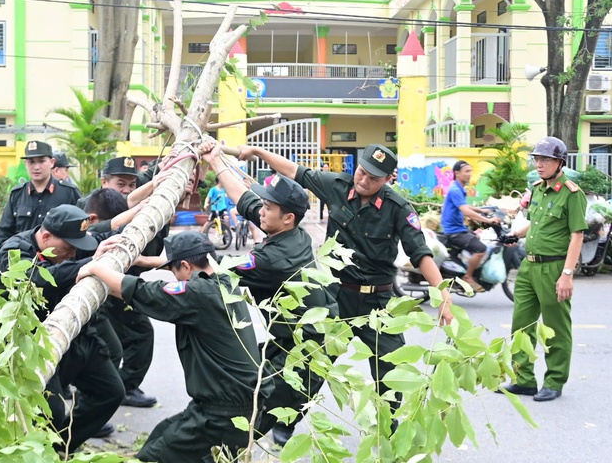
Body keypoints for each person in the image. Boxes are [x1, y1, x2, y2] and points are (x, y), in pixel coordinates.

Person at [236, 142, 453, 402]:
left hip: (378, 304)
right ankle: (283, 425)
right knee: (312, 362)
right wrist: (258, 152)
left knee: (392, 372)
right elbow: (297, 172)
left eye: (373, 178)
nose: (363, 180)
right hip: (335, 297)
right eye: (362, 172)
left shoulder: (398, 208)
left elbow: (420, 253)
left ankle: (390, 432)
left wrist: (442, 295)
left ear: (387, 179)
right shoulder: (337, 186)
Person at [0, 205, 124, 452]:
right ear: (46, 238)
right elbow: (38, 278)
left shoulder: (71, 247)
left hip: (66, 336)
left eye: (77, 249)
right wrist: (89, 264)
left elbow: (108, 230)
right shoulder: (14, 249)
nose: (73, 253)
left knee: (111, 391)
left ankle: (60, 449)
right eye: (69, 248)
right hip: (8, 341)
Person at [77, 232, 271, 462]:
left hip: (222, 413)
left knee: (153, 457)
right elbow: (182, 264)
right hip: (239, 405)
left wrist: (95, 268)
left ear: (187, 267)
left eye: (175, 271)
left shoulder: (198, 294)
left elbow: (142, 292)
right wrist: (143, 261)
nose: (175, 278)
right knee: (161, 437)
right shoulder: (224, 278)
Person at [201, 142, 339, 446]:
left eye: (268, 208)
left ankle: (243, 441)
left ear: (287, 217)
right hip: (288, 336)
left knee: (259, 412)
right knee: (259, 394)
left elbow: (213, 268)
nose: (261, 212)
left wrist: (155, 261)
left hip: (310, 347)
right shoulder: (290, 230)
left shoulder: (275, 258)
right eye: (263, 207)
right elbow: (244, 198)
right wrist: (214, 161)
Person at [500, 137, 586, 402]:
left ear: (560, 162)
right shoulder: (538, 189)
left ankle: (555, 381)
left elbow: (577, 236)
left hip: (555, 267)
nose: (539, 164)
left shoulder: (572, 194)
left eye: (545, 159)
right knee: (521, 326)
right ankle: (523, 379)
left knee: (555, 327)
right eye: (537, 159)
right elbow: (536, 222)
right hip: (529, 266)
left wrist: (567, 275)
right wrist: (516, 233)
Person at [78, 156, 161, 408]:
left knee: (139, 334)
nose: (126, 190)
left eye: (131, 184)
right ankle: (98, 396)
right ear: (104, 182)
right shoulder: (89, 207)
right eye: (120, 183)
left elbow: (151, 245)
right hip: (99, 286)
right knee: (106, 346)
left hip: (124, 282)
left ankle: (124, 387)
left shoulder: (137, 207)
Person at [0, 140, 81, 279]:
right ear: (26, 164)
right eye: (31, 162)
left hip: (57, 266)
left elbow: (82, 229)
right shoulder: (17, 195)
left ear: (51, 162)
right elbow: (5, 232)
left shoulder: (68, 192)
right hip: (22, 264)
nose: (36, 167)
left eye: (41, 161)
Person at [441, 160, 500, 291]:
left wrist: (482, 210)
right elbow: (466, 211)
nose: (469, 174)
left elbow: (464, 205)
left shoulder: (458, 187)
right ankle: (467, 276)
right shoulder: (456, 189)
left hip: (458, 229)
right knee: (482, 249)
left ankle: (463, 268)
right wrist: (489, 221)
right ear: (457, 173)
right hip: (454, 232)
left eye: (470, 171)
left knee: (477, 238)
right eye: (466, 171)